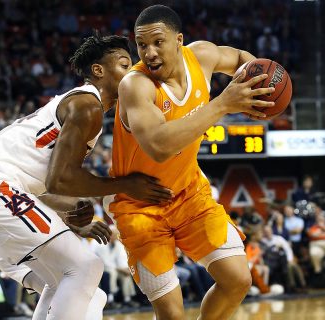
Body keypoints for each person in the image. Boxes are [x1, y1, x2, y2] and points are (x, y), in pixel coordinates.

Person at [0, 35, 172, 320]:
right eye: (124, 64)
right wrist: (127, 185)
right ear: (98, 71)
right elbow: (61, 180)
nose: (132, 72)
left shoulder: (83, 107)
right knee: (85, 268)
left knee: (84, 289)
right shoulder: (86, 105)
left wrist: (69, 213)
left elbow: (46, 182)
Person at [107, 5, 276, 319]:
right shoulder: (135, 85)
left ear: (179, 40)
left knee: (238, 279)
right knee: (172, 314)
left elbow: (241, 58)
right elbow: (159, 146)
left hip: (188, 192)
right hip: (139, 204)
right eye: (142, 45)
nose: (149, 53)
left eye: (158, 42)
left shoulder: (202, 56)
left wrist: (259, 86)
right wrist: (223, 103)